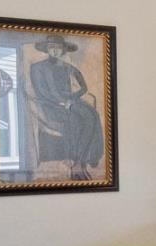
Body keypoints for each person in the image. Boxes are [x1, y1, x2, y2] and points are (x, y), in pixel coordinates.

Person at [29, 34, 104, 180]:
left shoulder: (67, 67)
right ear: (47, 49)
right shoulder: (37, 67)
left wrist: (72, 98)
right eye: (52, 48)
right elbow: (41, 91)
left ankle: (82, 160)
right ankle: (76, 163)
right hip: (50, 104)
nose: (55, 51)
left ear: (63, 50)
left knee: (92, 115)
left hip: (71, 102)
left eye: (58, 48)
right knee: (76, 120)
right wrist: (61, 103)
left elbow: (84, 87)